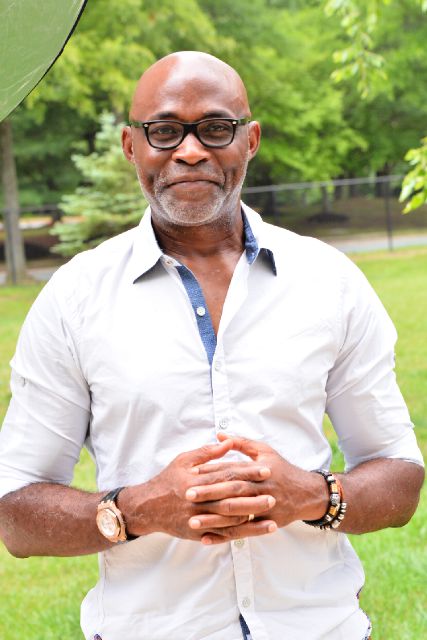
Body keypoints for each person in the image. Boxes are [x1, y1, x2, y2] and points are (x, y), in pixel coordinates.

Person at [0, 51, 424, 640]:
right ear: (131, 145)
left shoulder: (330, 281)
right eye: (164, 131)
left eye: (216, 128)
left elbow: (399, 476)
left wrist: (310, 495)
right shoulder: (74, 300)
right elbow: (16, 514)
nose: (191, 150)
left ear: (250, 140)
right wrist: (138, 509)